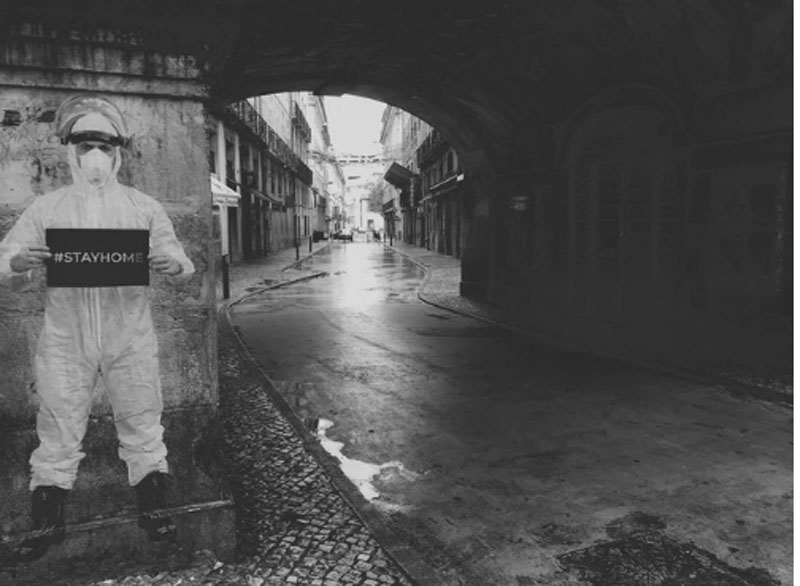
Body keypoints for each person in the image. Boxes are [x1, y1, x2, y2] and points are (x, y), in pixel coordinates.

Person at [0, 94, 195, 561]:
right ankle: (48, 523)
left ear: (117, 152)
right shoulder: (47, 209)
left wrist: (173, 265)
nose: (95, 155)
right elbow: (5, 259)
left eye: (104, 146)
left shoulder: (143, 208)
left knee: (142, 417)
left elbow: (181, 259)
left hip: (129, 334)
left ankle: (154, 511)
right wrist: (18, 262)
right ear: (71, 150)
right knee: (57, 423)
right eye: (86, 145)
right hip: (66, 337)